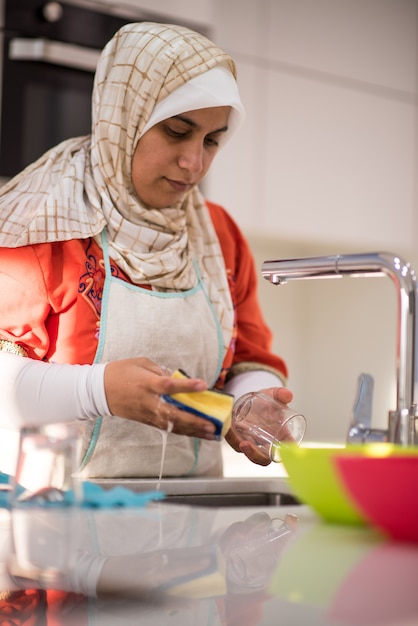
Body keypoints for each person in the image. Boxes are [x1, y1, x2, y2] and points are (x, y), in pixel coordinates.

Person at [0, 22, 291, 480]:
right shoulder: (36, 225)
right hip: (54, 523)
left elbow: (250, 356)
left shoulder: (217, 233)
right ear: (125, 117)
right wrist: (98, 390)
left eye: (212, 140)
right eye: (178, 131)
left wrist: (254, 401)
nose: (194, 162)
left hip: (187, 528)